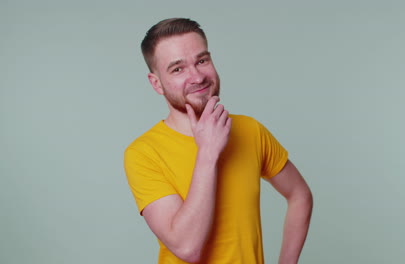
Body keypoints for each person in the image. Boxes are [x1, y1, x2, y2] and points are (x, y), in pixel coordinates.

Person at [124, 18, 313, 264]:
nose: (197, 76)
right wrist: (208, 152)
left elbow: (300, 194)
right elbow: (187, 247)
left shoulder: (250, 130)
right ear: (156, 83)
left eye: (202, 61)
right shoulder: (143, 153)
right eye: (177, 69)